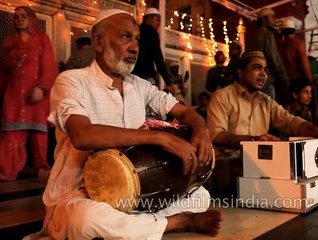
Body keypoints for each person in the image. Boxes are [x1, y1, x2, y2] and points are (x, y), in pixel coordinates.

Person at [25, 9, 222, 239]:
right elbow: (82, 135)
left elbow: (184, 111)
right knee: (85, 219)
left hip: (135, 193)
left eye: (137, 39)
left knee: (200, 197)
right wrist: (160, 137)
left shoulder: (139, 86)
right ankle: (175, 222)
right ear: (98, 42)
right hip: (80, 196)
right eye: (125, 37)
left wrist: (201, 129)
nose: (135, 47)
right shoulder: (72, 81)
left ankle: (140, 225)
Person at [207, 51, 318, 197]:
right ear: (240, 72)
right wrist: (254, 141)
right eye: (257, 67)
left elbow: (290, 121)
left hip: (258, 160)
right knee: (261, 181)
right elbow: (216, 135)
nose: (263, 74)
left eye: (265, 70)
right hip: (228, 160)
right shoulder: (222, 96)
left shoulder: (265, 101)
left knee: (300, 173)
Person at [0, 6, 56, 181]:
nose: (19, 19)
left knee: (38, 133)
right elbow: (3, 69)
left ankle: (41, 166)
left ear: (31, 19)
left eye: (23, 16)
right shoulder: (9, 42)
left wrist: (42, 87)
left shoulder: (42, 39)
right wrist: (8, 60)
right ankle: (7, 170)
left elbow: (49, 65)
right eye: (16, 17)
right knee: (11, 133)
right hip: (14, 94)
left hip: (35, 94)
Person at [247, 8, 288, 102]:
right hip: (264, 77)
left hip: (251, 78)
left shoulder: (252, 35)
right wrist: (284, 78)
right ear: (264, 19)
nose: (274, 20)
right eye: (272, 17)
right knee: (268, 109)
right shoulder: (267, 34)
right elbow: (274, 58)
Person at [132, 7, 171, 88]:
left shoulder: (136, 30)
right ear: (149, 18)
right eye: (157, 20)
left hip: (131, 76)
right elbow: (157, 57)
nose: (159, 24)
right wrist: (168, 82)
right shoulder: (151, 32)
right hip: (146, 77)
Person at [280, 18, 312, 83]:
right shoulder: (299, 44)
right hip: (297, 80)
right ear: (293, 30)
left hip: (284, 80)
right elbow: (304, 64)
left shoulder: (281, 46)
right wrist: (309, 81)